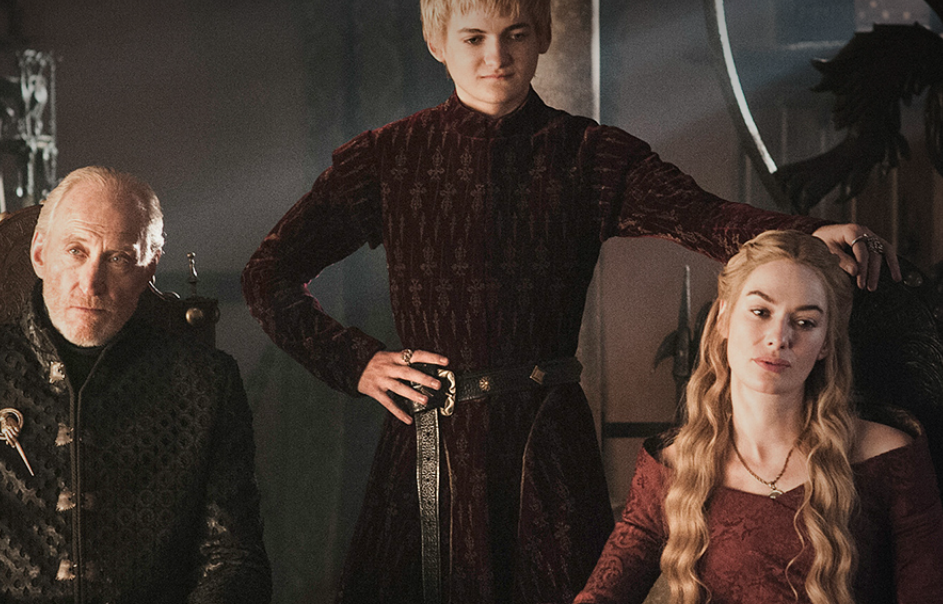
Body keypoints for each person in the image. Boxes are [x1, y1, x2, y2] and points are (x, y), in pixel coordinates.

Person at [241, 1, 901, 602]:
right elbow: (267, 275)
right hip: (427, 447)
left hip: (546, 446)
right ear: (437, 42)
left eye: (515, 34)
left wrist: (807, 232)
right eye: (473, 38)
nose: (496, 56)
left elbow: (700, 215)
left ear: (543, 36)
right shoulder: (387, 157)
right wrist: (358, 362)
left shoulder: (588, 154)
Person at [0, 166, 272, 603]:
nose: (91, 283)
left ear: (149, 267)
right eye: (76, 251)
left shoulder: (206, 383)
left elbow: (232, 558)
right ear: (39, 254)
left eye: (118, 259)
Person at [574, 230, 943, 604]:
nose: (778, 338)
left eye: (805, 322)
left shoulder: (889, 456)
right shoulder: (672, 466)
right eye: (760, 312)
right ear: (724, 318)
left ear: (826, 343)